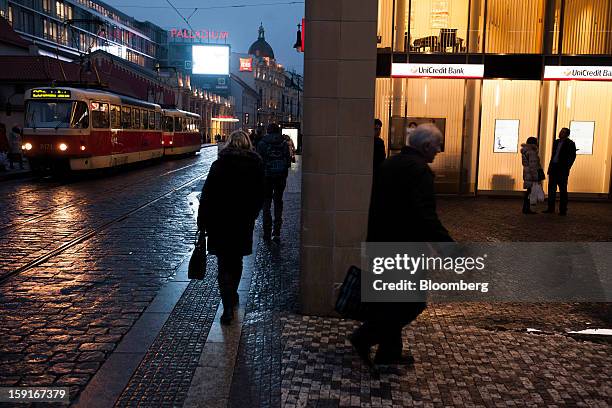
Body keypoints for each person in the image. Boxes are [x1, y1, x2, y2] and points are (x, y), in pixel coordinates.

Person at [351, 123, 453, 366]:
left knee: (392, 299)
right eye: (437, 146)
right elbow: (425, 215)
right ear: (426, 146)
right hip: (403, 246)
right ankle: (364, 337)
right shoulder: (419, 171)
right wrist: (448, 247)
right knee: (411, 302)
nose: (438, 151)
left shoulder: (391, 163)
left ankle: (389, 352)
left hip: (381, 241)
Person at [198, 130, 264, 324]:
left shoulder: (218, 165)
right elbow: (260, 195)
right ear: (247, 144)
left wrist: (203, 221)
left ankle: (227, 306)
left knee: (223, 264)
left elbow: (207, 195)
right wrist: (252, 215)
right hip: (242, 222)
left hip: (220, 223)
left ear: (228, 144)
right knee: (236, 261)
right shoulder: (256, 165)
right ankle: (232, 295)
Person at [257, 123, 291, 243]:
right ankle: (277, 231)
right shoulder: (283, 143)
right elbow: (288, 161)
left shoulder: (262, 143)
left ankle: (267, 231)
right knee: (278, 202)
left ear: (268, 131)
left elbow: (259, 161)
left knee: (266, 203)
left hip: (266, 177)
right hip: (280, 177)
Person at [543, 128, 576, 216]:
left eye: (563, 132)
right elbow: (553, 156)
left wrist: (567, 167)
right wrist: (550, 168)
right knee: (551, 189)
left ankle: (563, 209)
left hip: (562, 170)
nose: (560, 133)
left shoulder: (570, 143)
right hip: (554, 168)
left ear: (567, 134)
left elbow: (572, 157)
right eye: (561, 131)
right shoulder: (556, 142)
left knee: (563, 190)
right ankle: (551, 208)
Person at [520, 137, 543, 214]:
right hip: (531, 175)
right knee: (530, 192)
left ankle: (526, 208)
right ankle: (527, 209)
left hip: (527, 173)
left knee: (529, 191)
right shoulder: (532, 152)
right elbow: (533, 166)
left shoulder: (525, 151)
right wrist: (536, 177)